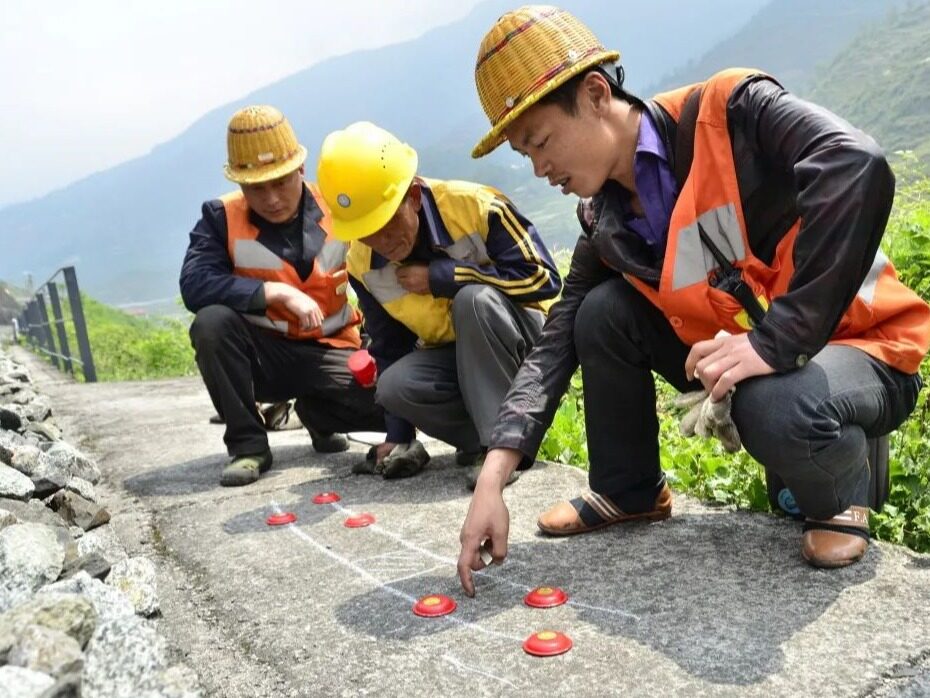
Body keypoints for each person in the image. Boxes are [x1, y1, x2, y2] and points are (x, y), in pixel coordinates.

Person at [456, 5, 930, 593]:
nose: (540, 166)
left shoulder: (733, 110)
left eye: (542, 140)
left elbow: (855, 164)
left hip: (865, 345)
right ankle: (629, 491)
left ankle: (839, 494)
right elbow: (553, 346)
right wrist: (493, 479)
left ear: (598, 93)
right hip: (754, 359)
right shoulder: (604, 222)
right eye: (525, 154)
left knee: (775, 405)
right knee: (600, 315)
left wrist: (775, 341)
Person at [315, 121, 562, 485]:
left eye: (387, 222)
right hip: (457, 363)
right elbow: (388, 345)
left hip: (523, 353)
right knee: (394, 385)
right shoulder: (362, 264)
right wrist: (400, 437)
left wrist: (448, 277)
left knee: (472, 301)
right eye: (366, 231)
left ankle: (502, 452)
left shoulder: (477, 207)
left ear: (413, 196)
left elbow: (545, 279)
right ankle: (487, 439)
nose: (382, 240)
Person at [180, 105, 384, 487]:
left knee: (394, 403)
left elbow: (376, 281)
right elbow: (194, 284)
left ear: (301, 170)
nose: (272, 198)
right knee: (211, 324)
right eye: (257, 188)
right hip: (262, 360)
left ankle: (318, 416)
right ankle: (249, 445)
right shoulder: (219, 217)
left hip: (331, 351)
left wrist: (374, 350)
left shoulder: (338, 208)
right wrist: (271, 292)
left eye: (281, 182)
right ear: (240, 185)